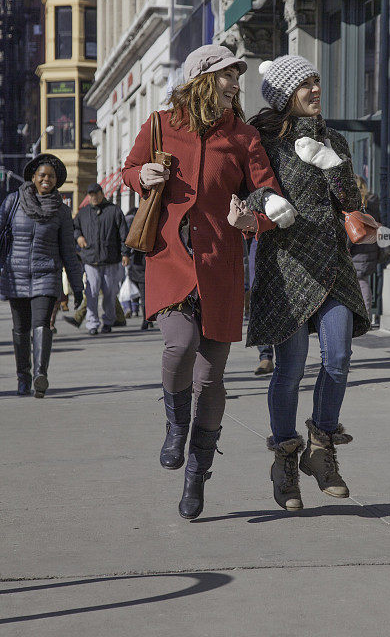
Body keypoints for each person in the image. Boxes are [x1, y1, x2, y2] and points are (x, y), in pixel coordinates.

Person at [122, 44, 295, 520]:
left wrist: (252, 221)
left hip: (221, 264)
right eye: (228, 76)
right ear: (203, 79)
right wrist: (143, 174)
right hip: (171, 258)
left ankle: (196, 475)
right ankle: (175, 424)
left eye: (238, 76)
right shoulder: (160, 123)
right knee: (178, 347)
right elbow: (128, 170)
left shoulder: (241, 136)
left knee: (211, 378)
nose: (236, 84)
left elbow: (271, 197)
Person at [241, 55, 370, 511]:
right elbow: (247, 188)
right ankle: (284, 458)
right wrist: (268, 201)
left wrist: (331, 162)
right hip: (286, 266)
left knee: (337, 357)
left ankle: (321, 446)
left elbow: (350, 200)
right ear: (283, 94)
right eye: (305, 84)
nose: (316, 89)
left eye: (317, 80)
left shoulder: (331, 137)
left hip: (332, 263)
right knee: (290, 369)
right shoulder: (262, 141)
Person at [0, 154, 83, 397]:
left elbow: (69, 251)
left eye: (51, 176)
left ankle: (39, 375)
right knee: (20, 328)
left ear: (57, 181)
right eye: (42, 175)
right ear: (33, 177)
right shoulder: (12, 202)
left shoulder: (62, 211)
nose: (46, 179)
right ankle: (22, 377)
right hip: (15, 275)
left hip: (46, 275)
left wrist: (77, 288)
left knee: (41, 324)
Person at [73, 183, 130, 335]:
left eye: (95, 194)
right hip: (90, 259)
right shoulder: (83, 213)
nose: (93, 197)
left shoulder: (114, 210)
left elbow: (124, 234)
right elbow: (75, 227)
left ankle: (108, 321)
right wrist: (78, 237)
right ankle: (92, 323)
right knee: (91, 293)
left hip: (110, 259)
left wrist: (125, 253)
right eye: (90, 195)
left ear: (101, 193)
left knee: (110, 293)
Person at [349, 176, 381, 318]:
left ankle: (365, 316)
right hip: (369, 249)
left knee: (360, 282)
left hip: (357, 251)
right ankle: (364, 314)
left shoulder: (355, 204)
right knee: (362, 281)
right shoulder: (371, 205)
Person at [248, 237, 273, 375]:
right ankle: (266, 356)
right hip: (258, 234)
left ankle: (288, 357)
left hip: (287, 233)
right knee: (259, 295)